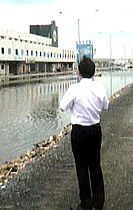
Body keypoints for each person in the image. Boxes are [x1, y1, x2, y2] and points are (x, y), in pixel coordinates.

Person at [60, 56, 109, 210]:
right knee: (95, 165)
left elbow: (62, 107)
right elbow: (105, 106)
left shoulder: (74, 89)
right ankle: (99, 201)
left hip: (79, 132)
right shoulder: (100, 88)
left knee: (81, 167)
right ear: (93, 72)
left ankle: (86, 203)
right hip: (95, 130)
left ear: (79, 72)